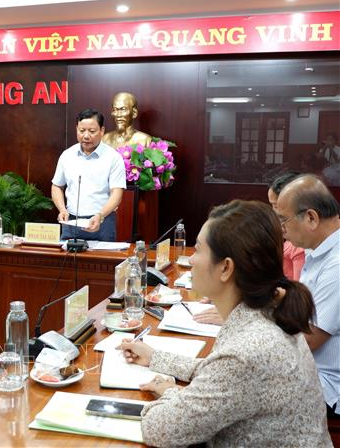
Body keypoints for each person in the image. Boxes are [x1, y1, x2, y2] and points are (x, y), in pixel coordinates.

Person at [119, 200, 332, 447]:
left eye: (198, 250)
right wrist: (156, 357)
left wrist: (170, 393)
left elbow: (160, 429)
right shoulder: (268, 312)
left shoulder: (247, 351)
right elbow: (219, 372)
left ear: (226, 268)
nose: (192, 260)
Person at [192, 171, 305, 325]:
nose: (275, 214)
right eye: (272, 206)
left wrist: (232, 314)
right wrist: (225, 296)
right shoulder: (288, 243)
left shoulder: (298, 247)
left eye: (277, 207)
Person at [276, 174, 340, 418]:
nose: (282, 229)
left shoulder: (336, 264)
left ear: (311, 218)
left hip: (326, 386)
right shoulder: (318, 251)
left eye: (284, 220)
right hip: (306, 367)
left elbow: (309, 339)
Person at [51, 109, 126, 241]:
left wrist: (100, 215)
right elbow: (57, 186)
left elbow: (117, 193)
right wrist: (62, 209)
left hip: (102, 221)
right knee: (67, 254)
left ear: (102, 131)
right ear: (76, 129)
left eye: (92, 131)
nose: (86, 136)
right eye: (82, 130)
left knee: (101, 255)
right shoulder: (67, 155)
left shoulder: (113, 157)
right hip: (71, 221)